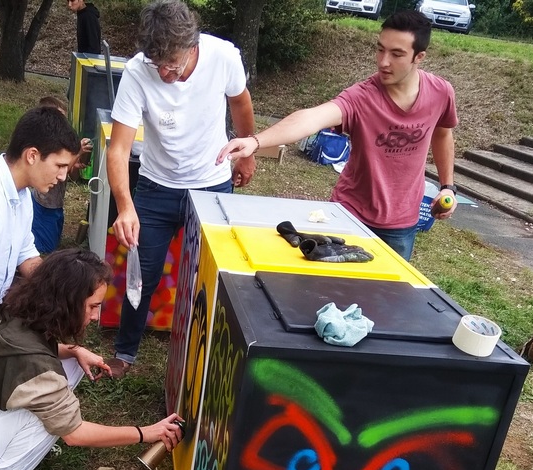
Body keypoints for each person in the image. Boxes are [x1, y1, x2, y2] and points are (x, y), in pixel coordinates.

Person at [0, 248, 184, 470]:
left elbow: (34, 356)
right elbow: (75, 433)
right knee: (48, 414)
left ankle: (19, 447)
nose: (97, 317)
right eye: (92, 307)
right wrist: (145, 433)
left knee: (70, 365)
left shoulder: (19, 313)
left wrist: (74, 350)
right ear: (67, 302)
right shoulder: (34, 364)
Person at [217, 10, 458, 263]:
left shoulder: (440, 92)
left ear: (419, 57)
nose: (383, 61)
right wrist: (256, 141)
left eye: (396, 54)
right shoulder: (362, 97)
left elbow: (442, 134)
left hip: (402, 223)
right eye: (380, 49)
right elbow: (310, 118)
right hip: (349, 216)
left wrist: (447, 186)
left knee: (386, 298)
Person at [105, 0, 257, 378]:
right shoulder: (139, 71)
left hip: (212, 185)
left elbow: (240, 102)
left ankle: (198, 355)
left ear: (193, 47)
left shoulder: (222, 56)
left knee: (207, 275)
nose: (164, 73)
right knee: (143, 272)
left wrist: (247, 151)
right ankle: (125, 353)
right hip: (156, 187)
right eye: (158, 65)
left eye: (171, 64)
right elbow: (119, 147)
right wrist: (125, 205)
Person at [0, 106, 81, 351]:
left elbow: (26, 254)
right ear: (32, 155)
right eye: (59, 165)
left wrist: (63, 285)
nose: (64, 176)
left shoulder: (22, 195)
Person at [31, 96, 93, 254]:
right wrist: (77, 154)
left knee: (54, 242)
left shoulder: (63, 144)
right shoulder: (44, 145)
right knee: (46, 248)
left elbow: (72, 176)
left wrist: (76, 164)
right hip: (43, 204)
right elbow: (57, 173)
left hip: (56, 205)